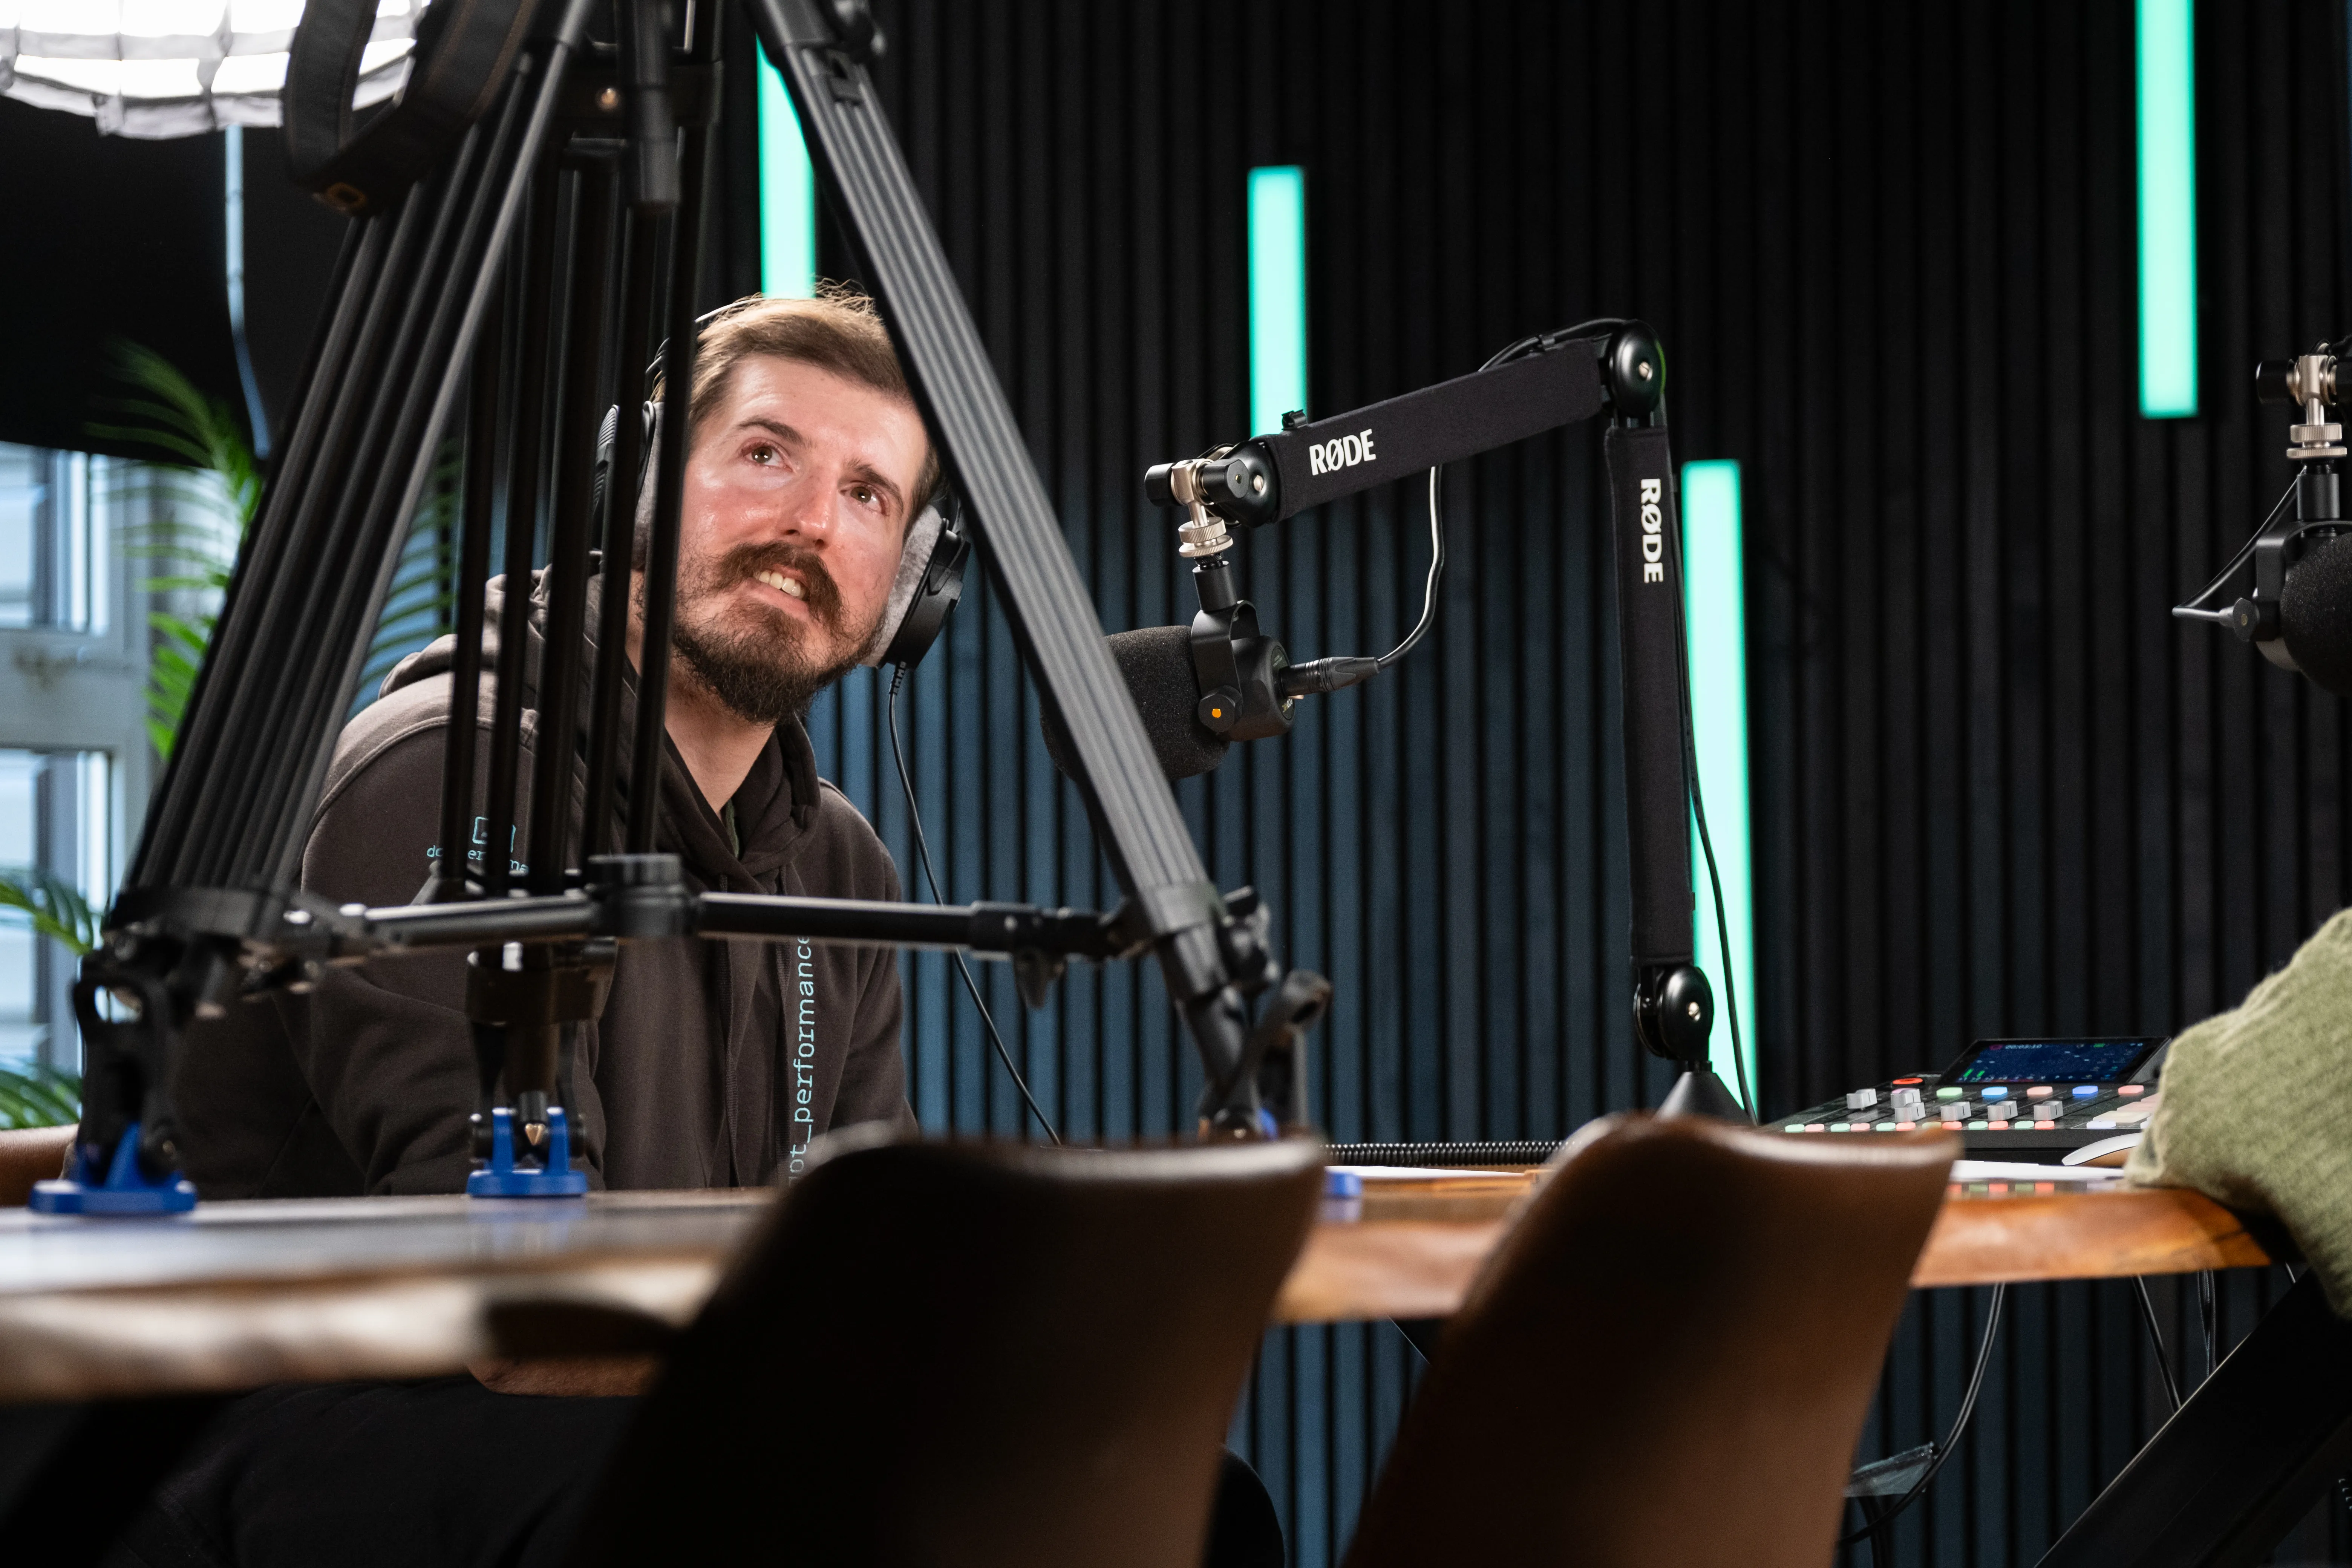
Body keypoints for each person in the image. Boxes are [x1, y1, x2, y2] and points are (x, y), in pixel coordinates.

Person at [174, 287, 931, 1195]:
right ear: (638, 478)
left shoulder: (839, 867)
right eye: (766, 454)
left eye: (867, 495)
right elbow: (513, 1293)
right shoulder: (449, 775)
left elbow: (871, 1246)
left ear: (910, 588)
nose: (814, 521)